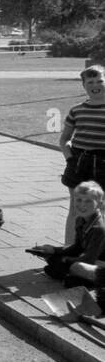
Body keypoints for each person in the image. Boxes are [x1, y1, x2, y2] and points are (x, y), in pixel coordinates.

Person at [58, 65, 105, 245]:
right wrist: (70, 159)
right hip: (80, 163)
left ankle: (97, 252)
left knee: (101, 207)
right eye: (90, 82)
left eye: (100, 81)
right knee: (76, 209)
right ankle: (68, 249)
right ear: (84, 85)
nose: (96, 85)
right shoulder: (77, 110)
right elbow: (64, 140)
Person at [35, 181, 105, 286]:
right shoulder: (80, 220)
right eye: (79, 200)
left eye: (88, 201)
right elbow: (77, 247)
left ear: (99, 204)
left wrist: (65, 260)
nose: (82, 205)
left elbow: (89, 259)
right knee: (53, 258)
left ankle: (82, 279)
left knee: (75, 266)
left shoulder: (98, 229)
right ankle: (70, 275)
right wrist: (54, 250)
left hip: (99, 263)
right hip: (90, 260)